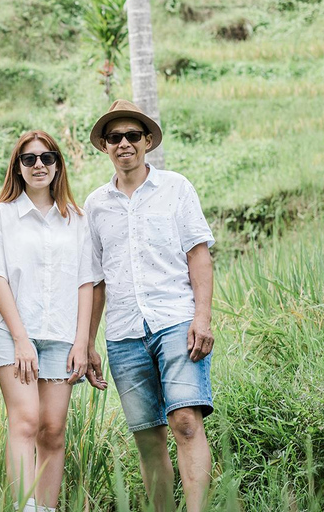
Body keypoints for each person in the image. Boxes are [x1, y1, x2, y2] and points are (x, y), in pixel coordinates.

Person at [84, 99, 215, 512]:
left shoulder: (176, 188)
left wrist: (202, 317)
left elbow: (199, 255)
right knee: (147, 436)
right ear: (105, 146)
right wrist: (87, 342)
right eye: (115, 137)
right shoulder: (95, 204)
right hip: (123, 334)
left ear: (147, 142)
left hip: (176, 321)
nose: (124, 144)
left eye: (132, 136)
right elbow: (96, 280)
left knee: (186, 423)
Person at [0, 130, 101, 512]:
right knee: (26, 421)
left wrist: (82, 342)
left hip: (62, 335)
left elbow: (85, 282)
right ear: (18, 168)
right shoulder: (0, 217)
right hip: (14, 336)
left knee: (53, 429)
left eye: (46, 158)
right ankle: (25, 506)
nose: (39, 165)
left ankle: (47, 507)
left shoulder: (76, 220)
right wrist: (21, 338)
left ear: (58, 165)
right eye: (29, 159)